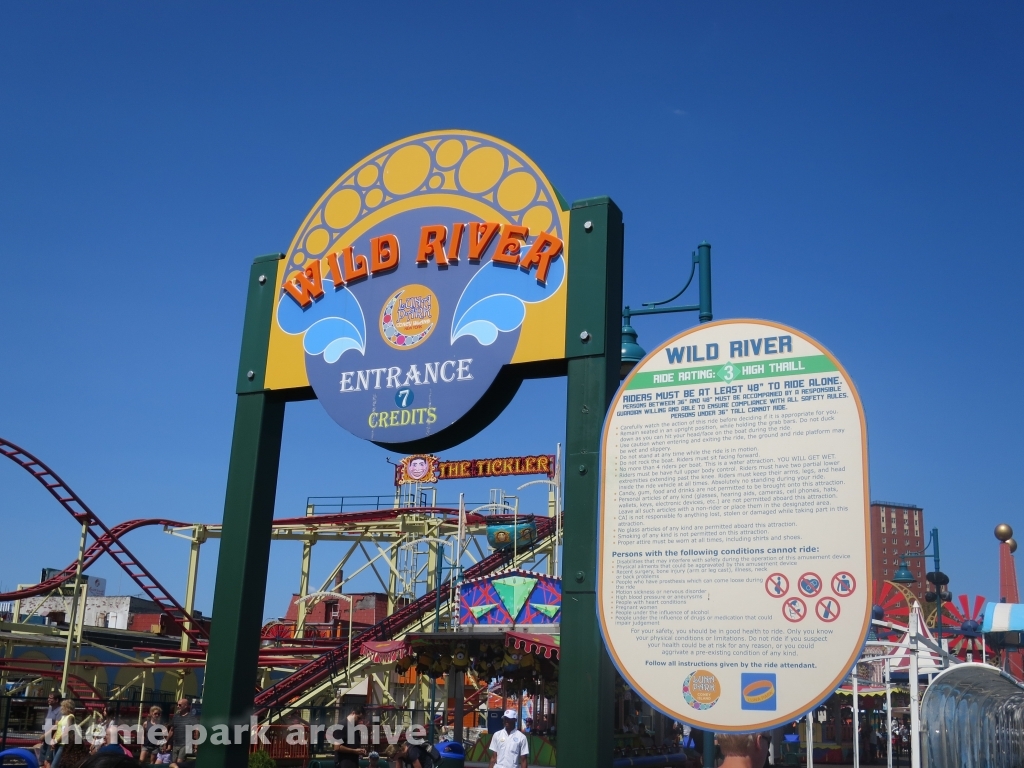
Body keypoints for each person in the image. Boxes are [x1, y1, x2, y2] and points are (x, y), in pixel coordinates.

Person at [167, 700, 198, 766]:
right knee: (173, 763)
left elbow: (196, 731)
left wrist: (196, 745)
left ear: (186, 705)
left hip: (186, 744)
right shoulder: (175, 716)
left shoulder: (192, 718)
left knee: (179, 762)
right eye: (177, 705)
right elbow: (171, 730)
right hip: (176, 743)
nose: (178, 706)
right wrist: (166, 741)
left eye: (180, 705)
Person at [52, 700, 78, 768]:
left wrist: (56, 741)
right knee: (57, 765)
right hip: (58, 743)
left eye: (63, 706)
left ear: (67, 707)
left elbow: (66, 732)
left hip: (64, 744)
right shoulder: (63, 717)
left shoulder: (70, 717)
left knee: (54, 765)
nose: (61, 708)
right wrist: (53, 739)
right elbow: (58, 729)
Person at [40, 692, 63, 768]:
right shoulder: (50, 708)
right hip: (46, 737)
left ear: (56, 700)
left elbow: (56, 726)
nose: (48, 699)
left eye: (50, 698)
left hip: (52, 738)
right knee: (42, 761)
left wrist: (45, 735)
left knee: (48, 761)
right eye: (48, 698)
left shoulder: (60, 710)